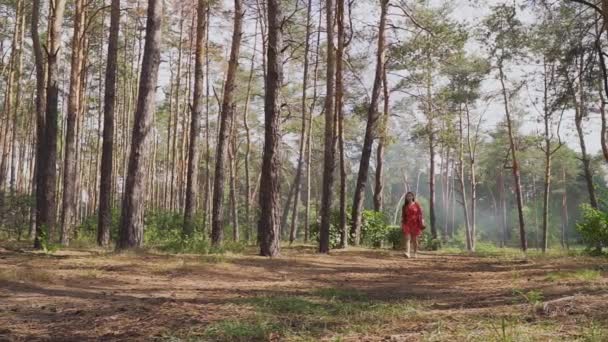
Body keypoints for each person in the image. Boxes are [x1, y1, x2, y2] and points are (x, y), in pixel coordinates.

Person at [401, 192, 425, 258]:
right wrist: (402, 224)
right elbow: (403, 216)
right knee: (407, 239)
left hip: (415, 224)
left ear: (412, 197)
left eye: (410, 196)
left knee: (414, 240)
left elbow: (420, 214)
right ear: (406, 198)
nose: (409, 197)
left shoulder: (417, 205)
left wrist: (422, 222)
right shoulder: (404, 206)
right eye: (407, 196)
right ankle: (408, 253)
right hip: (407, 223)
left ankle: (415, 253)